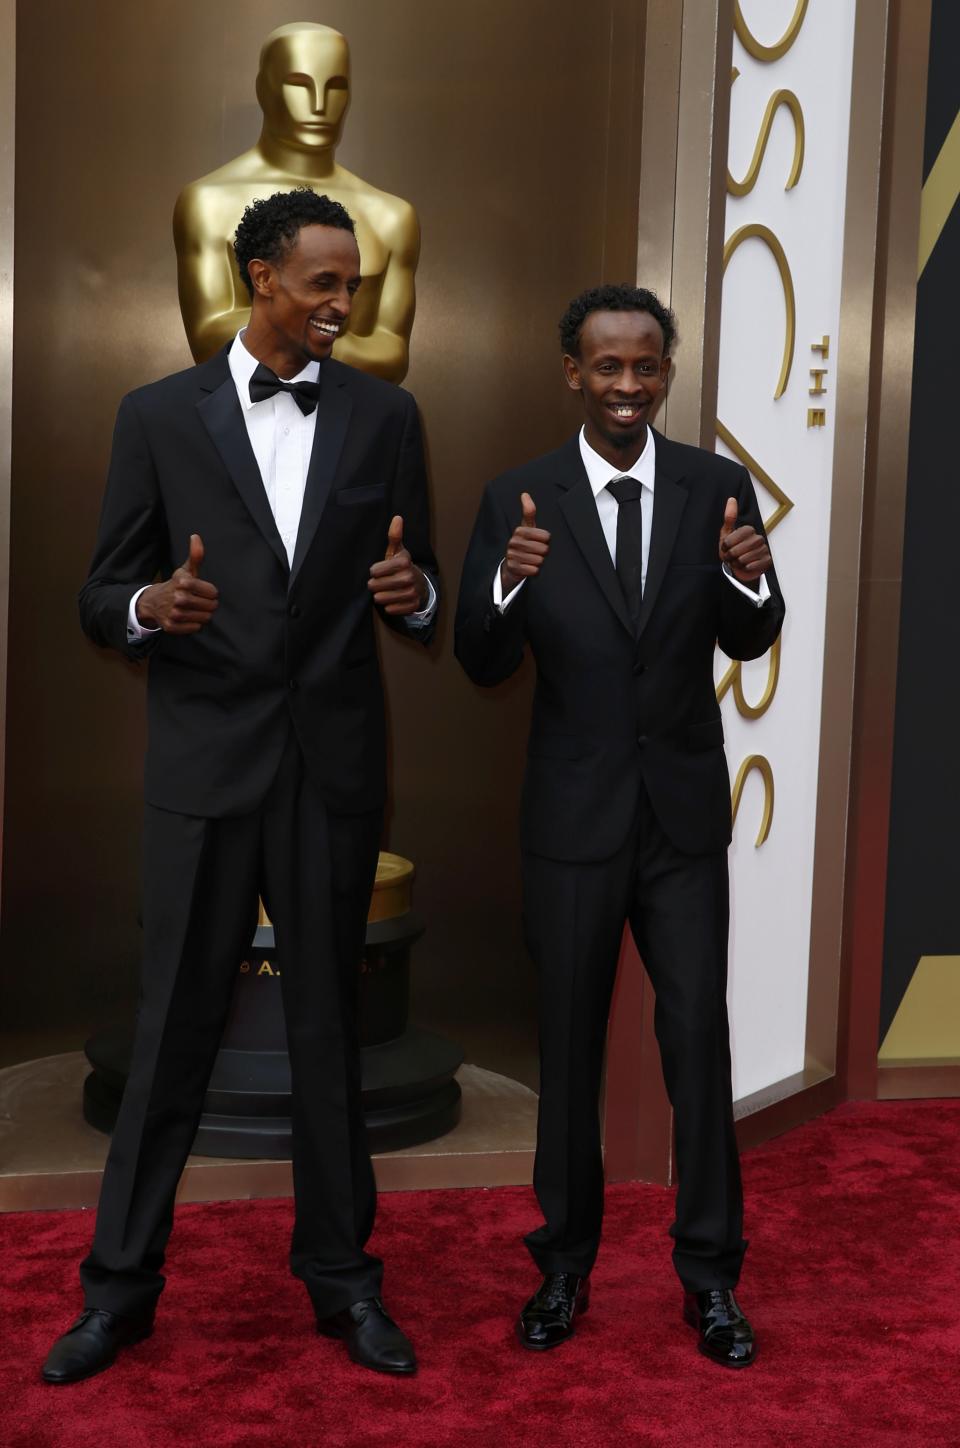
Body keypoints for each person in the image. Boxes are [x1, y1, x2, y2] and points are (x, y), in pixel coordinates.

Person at [42, 189, 437, 1385]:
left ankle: (344, 1281)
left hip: (332, 774)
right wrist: (151, 607)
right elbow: (101, 591)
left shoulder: (386, 415)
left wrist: (412, 593)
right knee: (172, 1036)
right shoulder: (157, 416)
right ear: (260, 275)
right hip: (204, 772)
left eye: (353, 284)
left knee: (327, 1033)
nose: (344, 302)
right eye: (324, 282)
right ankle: (118, 1293)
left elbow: (421, 597)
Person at [455, 284, 784, 1369]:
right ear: (573, 372)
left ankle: (711, 1280)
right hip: (572, 819)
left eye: (647, 366)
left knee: (697, 1039)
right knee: (571, 1046)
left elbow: (749, 632)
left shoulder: (714, 484)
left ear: (666, 370)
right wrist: (506, 585)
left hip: (681, 818)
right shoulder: (519, 496)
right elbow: (480, 656)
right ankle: (562, 1268)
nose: (630, 386)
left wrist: (754, 581)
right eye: (609, 367)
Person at [174, 21, 419, 381]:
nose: (319, 105)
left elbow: (393, 353)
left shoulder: (392, 217)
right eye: (299, 85)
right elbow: (210, 337)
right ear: (264, 89)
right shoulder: (207, 203)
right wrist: (332, 339)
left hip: (355, 428)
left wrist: (288, 334)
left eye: (335, 87)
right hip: (239, 421)